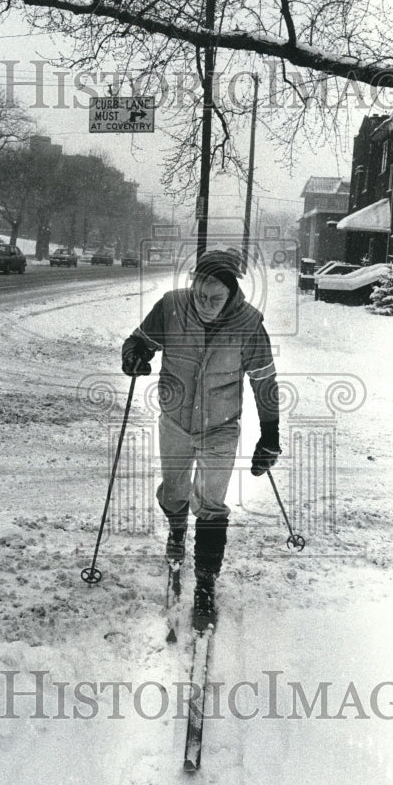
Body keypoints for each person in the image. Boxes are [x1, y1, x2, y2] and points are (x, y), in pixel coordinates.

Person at [121, 249, 281, 630]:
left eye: (215, 299)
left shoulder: (249, 326)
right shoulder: (172, 307)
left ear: (232, 294)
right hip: (175, 421)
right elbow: (138, 340)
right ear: (192, 287)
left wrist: (270, 436)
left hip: (220, 427)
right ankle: (177, 531)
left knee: (211, 504)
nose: (206, 305)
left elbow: (265, 384)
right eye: (200, 296)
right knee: (175, 492)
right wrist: (134, 355)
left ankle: (205, 585)